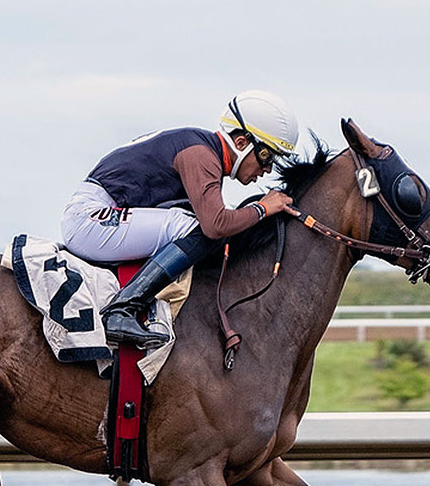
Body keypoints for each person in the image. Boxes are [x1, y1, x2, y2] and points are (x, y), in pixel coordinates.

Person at [60, 90, 303, 348]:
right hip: (90, 218)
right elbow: (216, 225)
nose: (268, 169)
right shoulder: (201, 155)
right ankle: (121, 310)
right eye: (266, 156)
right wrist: (263, 208)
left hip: (99, 215)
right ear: (241, 142)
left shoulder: (202, 148)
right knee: (196, 227)